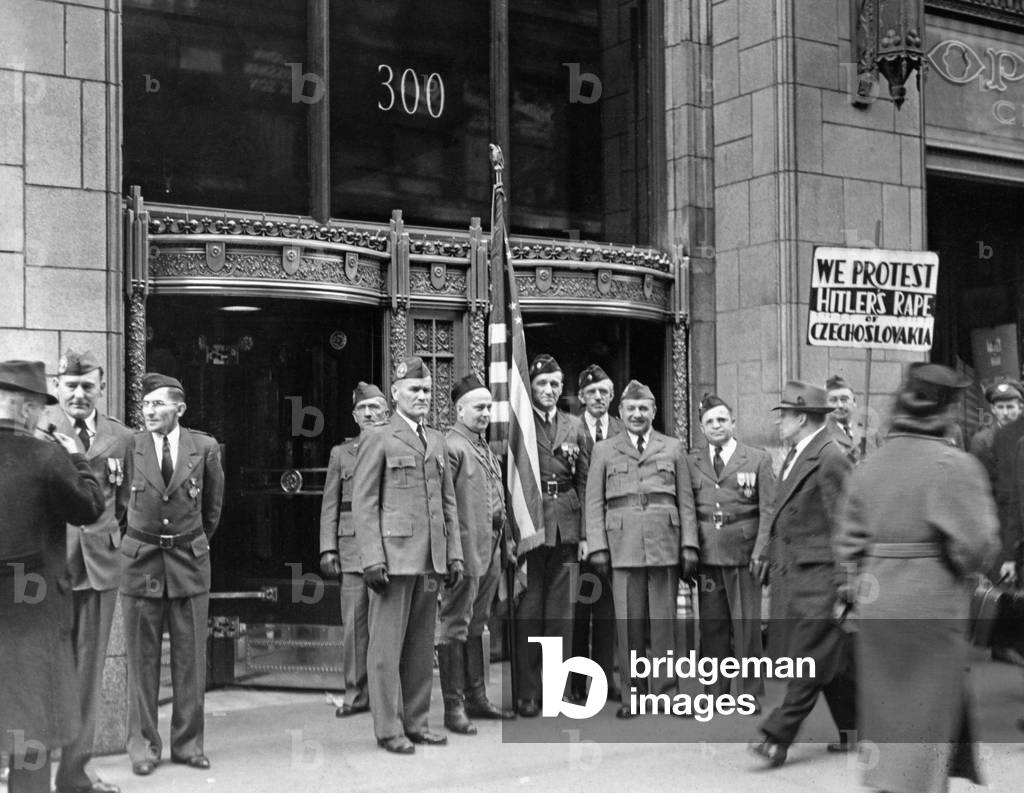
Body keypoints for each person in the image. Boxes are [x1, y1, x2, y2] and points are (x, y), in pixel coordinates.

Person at [836, 363, 1000, 793]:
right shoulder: (955, 466)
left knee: (889, 713)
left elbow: (846, 544)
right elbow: (978, 549)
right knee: (928, 715)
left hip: (877, 606)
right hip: (931, 605)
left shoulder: (868, 466)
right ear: (945, 412)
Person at [0, 360, 104, 793]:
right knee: (32, 725)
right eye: (39, 408)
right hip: (33, 612)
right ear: (26, 408)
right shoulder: (47, 456)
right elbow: (89, 508)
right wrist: (77, 457)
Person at [352, 356, 463, 755]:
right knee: (385, 648)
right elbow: (364, 504)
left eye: (428, 390)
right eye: (414, 389)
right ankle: (388, 728)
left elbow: (447, 503)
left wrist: (454, 555)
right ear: (395, 392)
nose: (422, 396)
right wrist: (371, 558)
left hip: (429, 558)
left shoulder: (435, 439)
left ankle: (417, 722)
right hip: (392, 558)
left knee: (419, 647)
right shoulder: (378, 437)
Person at [120, 373, 225, 776]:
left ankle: (188, 744)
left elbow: (212, 509)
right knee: (142, 661)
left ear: (179, 409)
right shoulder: (132, 446)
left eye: (159, 404)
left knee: (191, 661)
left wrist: (189, 541)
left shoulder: (204, 447)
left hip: (188, 562)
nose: (150, 411)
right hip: (141, 561)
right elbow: (116, 503)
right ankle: (143, 747)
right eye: (146, 405)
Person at [749, 381, 855, 768]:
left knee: (809, 658)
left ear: (803, 417)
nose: (780, 422)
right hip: (800, 573)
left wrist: (846, 582)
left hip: (820, 577)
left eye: (786, 415)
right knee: (832, 660)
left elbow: (845, 522)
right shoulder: (802, 452)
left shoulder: (829, 457)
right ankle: (853, 730)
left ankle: (777, 737)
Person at [44, 350, 132, 793]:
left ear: (102, 386)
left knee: (87, 676)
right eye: (70, 385)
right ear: (57, 386)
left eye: (88, 385)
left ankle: (75, 774)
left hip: (100, 568)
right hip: (48, 570)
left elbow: (129, 505)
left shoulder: (121, 437)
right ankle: (25, 766)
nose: (79, 394)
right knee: (39, 669)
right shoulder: (41, 431)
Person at [586, 380, 698, 717]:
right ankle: (633, 695)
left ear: (654, 412)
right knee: (628, 623)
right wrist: (598, 548)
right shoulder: (604, 450)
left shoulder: (673, 448)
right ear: (620, 412)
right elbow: (593, 503)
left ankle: (666, 693)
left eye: (643, 408)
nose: (637, 414)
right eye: (631, 409)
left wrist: (689, 544)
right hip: (622, 546)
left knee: (664, 623)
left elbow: (687, 501)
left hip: (664, 543)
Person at [437, 374, 516, 734]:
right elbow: (444, 507)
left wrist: (508, 543)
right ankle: (454, 708)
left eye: (489, 407)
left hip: (491, 549)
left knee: (478, 623)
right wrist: (453, 555)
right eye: (479, 407)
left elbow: (498, 498)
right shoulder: (451, 447)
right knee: (455, 624)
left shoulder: (483, 447)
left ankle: (477, 698)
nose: (486, 413)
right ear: (460, 409)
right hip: (466, 551)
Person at [687, 394, 774, 706]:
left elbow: (769, 510)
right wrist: (691, 548)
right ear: (701, 428)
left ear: (733, 423)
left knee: (747, 625)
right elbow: (688, 507)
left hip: (744, 552)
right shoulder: (692, 461)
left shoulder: (757, 459)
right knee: (712, 626)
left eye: (722, 419)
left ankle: (749, 692)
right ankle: (715, 692)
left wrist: (761, 551)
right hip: (708, 554)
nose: (716, 425)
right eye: (710, 421)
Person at [515, 354, 589, 717]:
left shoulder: (575, 426)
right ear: (530, 385)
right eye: (542, 383)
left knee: (561, 614)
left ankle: (554, 690)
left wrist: (586, 533)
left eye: (555, 384)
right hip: (531, 523)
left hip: (567, 525)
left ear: (563, 389)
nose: (548, 390)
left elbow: (586, 480)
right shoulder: (519, 423)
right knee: (529, 610)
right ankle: (527, 693)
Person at [319, 381, 389, 718]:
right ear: (354, 415)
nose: (370, 413)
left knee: (387, 625)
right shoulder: (340, 454)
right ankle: (356, 693)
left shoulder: (396, 445)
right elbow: (330, 504)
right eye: (363, 409)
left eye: (376, 407)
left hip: (390, 548)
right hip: (351, 549)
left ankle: (387, 696)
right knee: (355, 626)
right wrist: (327, 548)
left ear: (387, 411)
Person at [571, 363, 622, 703]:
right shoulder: (569, 429)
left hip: (614, 536)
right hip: (580, 537)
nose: (598, 397)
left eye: (604, 391)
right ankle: (576, 683)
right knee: (578, 610)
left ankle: (605, 681)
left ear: (612, 395)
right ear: (580, 397)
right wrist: (581, 536)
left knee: (608, 611)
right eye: (591, 392)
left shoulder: (622, 430)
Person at [969, 380, 1023, 486]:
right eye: (1000, 407)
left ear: (1020, 408)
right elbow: (977, 480)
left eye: (1010, 407)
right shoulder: (981, 441)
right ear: (993, 409)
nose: (1005, 413)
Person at [825, 375, 880, 464]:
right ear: (826, 405)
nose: (840, 405)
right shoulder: (823, 434)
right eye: (833, 400)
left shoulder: (870, 431)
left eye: (844, 399)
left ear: (854, 401)